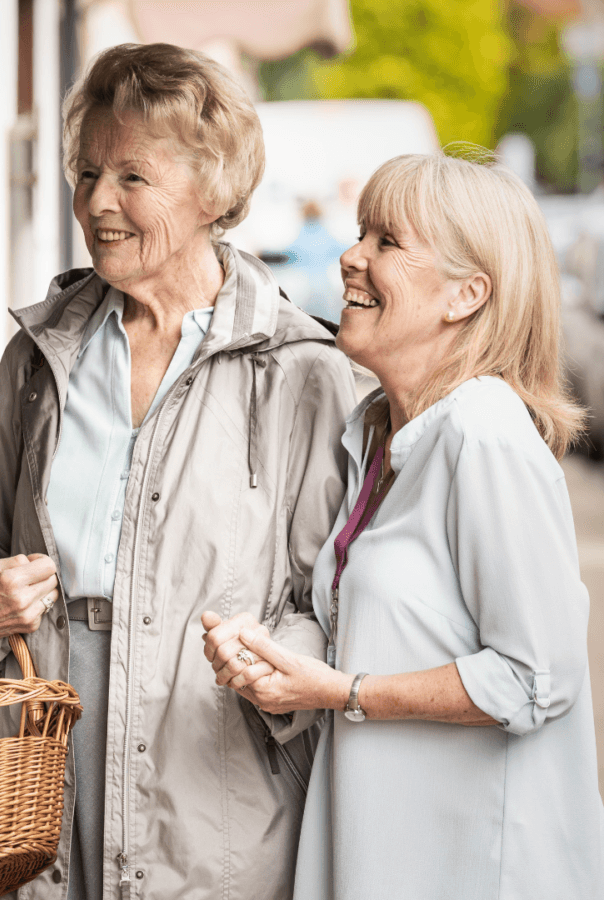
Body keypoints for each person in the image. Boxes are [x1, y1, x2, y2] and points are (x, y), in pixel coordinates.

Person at [0, 42, 356, 900]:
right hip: (36, 776)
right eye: (86, 173)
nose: (95, 203)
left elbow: (334, 609)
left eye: (132, 177)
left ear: (214, 190)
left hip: (207, 786)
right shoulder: (38, 360)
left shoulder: (301, 369)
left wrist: (273, 668)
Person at [203, 151, 604, 899]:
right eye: (362, 234)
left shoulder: (482, 432)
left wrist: (342, 691)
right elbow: (386, 632)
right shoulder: (376, 433)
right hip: (386, 861)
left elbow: (534, 677)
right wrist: (281, 664)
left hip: (482, 873)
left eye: (387, 242)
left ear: (465, 295)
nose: (352, 257)